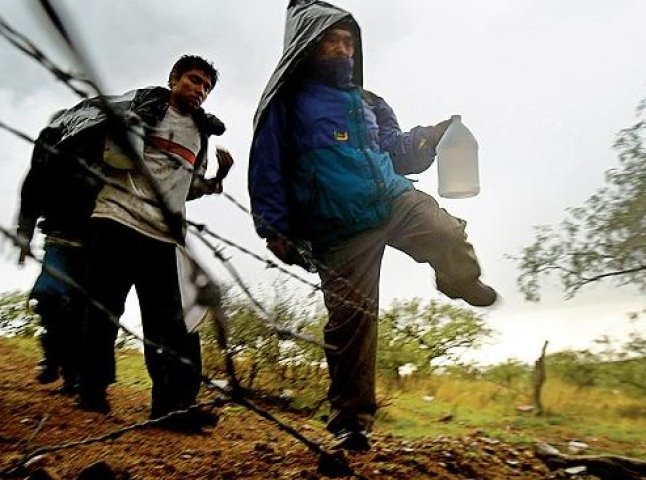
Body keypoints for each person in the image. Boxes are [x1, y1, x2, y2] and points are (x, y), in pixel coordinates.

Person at [248, 1, 497, 450]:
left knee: (445, 231)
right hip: (336, 224)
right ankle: (351, 419)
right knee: (352, 321)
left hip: (390, 197)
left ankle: (459, 279)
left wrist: (430, 136)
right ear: (308, 46)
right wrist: (274, 227)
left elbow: (397, 150)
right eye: (333, 41)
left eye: (349, 43)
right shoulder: (286, 103)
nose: (343, 50)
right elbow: (266, 165)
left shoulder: (369, 102)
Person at [44, 55, 233, 432]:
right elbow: (115, 158)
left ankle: (173, 405)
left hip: (163, 237)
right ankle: (91, 389)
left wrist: (218, 176)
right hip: (116, 219)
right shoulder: (142, 110)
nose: (199, 90)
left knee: (170, 322)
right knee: (102, 310)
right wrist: (135, 135)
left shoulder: (200, 134)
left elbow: (188, 189)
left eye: (206, 87)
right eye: (193, 81)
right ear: (174, 79)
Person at [16, 110, 98, 394]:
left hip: (94, 246)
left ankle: (73, 375)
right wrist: (24, 236)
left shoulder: (101, 155)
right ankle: (53, 356)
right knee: (48, 295)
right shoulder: (47, 160)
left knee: (80, 311)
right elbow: (30, 194)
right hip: (58, 241)